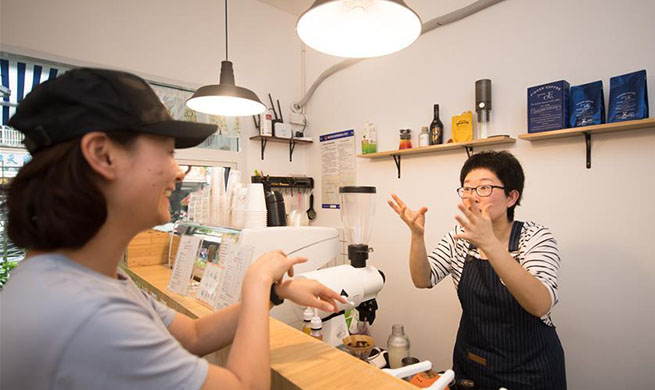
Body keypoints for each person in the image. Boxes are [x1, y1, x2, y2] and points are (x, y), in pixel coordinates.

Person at [0, 68, 346, 390]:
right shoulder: (87, 316)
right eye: (167, 152)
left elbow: (194, 335)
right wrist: (256, 282)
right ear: (103, 155)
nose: (178, 172)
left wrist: (274, 293)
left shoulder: (80, 277)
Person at [388, 151, 566, 390]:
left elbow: (540, 304)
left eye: (483, 188)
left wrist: (489, 243)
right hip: (472, 366)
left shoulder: (534, 238)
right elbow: (423, 279)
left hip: (529, 371)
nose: (472, 197)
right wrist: (417, 236)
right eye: (467, 189)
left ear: (511, 197)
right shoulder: (459, 238)